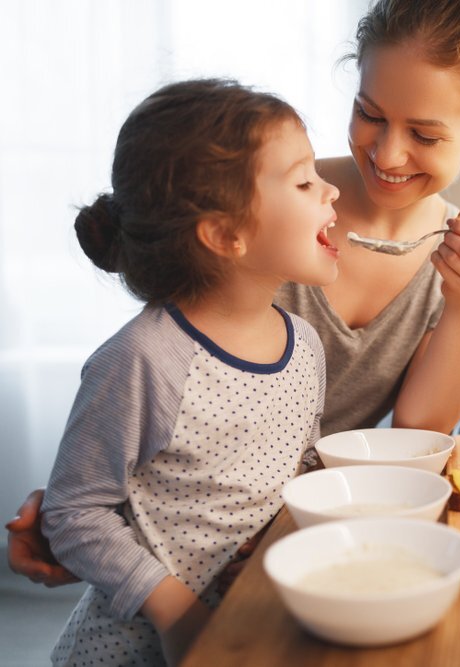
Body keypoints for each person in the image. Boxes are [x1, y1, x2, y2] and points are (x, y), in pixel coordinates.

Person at [7, 0, 460, 592]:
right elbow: (162, 380)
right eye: (369, 114)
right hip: (188, 543)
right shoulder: (270, 215)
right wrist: (82, 506)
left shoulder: (448, 261)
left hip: (304, 536)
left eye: (424, 134)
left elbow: (414, 434)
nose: (388, 155)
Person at [37, 78, 340, 666]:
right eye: (304, 182)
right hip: (133, 650)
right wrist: (177, 611)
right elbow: (73, 514)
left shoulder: (304, 345)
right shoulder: (143, 359)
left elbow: (299, 470)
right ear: (226, 235)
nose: (331, 189)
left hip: (249, 629)